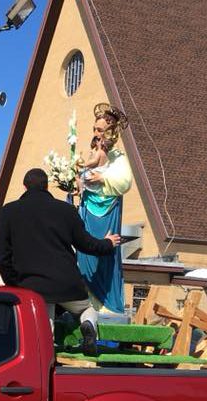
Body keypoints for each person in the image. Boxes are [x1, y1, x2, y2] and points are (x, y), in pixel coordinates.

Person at [0, 167, 120, 355]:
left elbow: (1, 256)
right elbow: (86, 244)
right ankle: (88, 324)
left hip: (32, 286)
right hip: (67, 284)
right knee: (86, 309)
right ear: (47, 186)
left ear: (24, 187)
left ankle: (46, 364)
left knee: (44, 332)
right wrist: (107, 243)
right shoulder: (66, 210)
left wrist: (14, 283)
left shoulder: (9, 212)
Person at [75, 103, 133, 314]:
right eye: (95, 129)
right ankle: (87, 305)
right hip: (88, 211)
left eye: (100, 130)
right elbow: (83, 175)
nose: (96, 133)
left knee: (104, 255)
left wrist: (103, 177)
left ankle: (106, 306)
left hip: (106, 213)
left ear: (109, 133)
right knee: (85, 255)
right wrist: (78, 183)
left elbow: (125, 182)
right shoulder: (94, 152)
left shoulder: (117, 157)